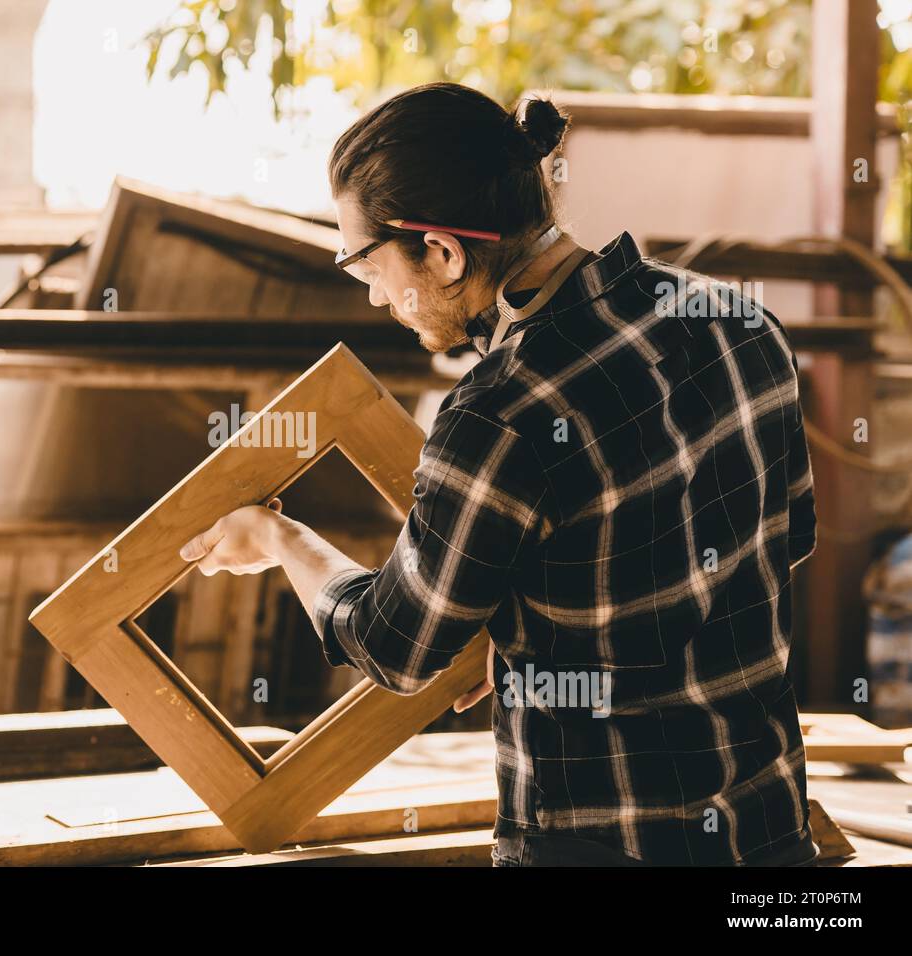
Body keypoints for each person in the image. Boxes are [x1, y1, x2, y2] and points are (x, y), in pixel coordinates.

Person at [179, 81, 819, 867]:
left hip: (602, 846)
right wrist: (525, 615)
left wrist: (283, 538)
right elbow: (779, 543)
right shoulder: (738, 321)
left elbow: (395, 646)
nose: (376, 297)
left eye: (365, 266)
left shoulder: (500, 411)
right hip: (773, 832)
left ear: (442, 253)